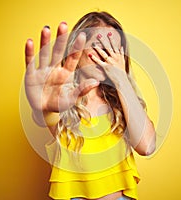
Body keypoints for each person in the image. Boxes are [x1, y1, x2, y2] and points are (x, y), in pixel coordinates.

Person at [24, 11, 156, 200]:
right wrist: (41, 107)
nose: (105, 55)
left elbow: (147, 146)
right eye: (98, 46)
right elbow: (44, 114)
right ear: (75, 49)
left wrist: (121, 79)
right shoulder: (60, 98)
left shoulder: (122, 101)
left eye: (113, 49)